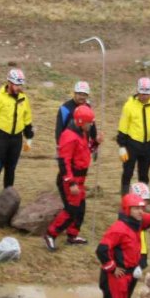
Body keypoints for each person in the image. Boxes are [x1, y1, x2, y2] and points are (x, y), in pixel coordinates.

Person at [0, 68, 34, 213]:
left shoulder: (24, 98)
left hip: (16, 139)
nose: (19, 88)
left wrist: (29, 137)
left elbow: (27, 119)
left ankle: (7, 201)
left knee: (10, 170)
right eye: (16, 85)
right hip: (0, 138)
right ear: (9, 82)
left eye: (21, 85)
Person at [44, 104, 95, 251]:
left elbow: (86, 150)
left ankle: (72, 235)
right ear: (80, 121)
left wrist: (96, 142)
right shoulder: (69, 136)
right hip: (70, 179)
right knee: (72, 209)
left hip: (79, 179)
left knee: (81, 208)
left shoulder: (82, 133)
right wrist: (71, 183)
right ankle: (50, 234)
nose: (91, 125)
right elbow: (63, 161)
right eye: (89, 122)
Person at [116, 77, 150, 194]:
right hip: (132, 144)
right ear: (138, 91)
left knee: (144, 173)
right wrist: (121, 147)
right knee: (128, 172)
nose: (144, 96)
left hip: (148, 144)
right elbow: (123, 127)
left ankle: (143, 197)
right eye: (142, 93)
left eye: (147, 94)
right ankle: (125, 196)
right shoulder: (129, 106)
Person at [54, 81, 100, 148]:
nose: (82, 97)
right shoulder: (65, 108)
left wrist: (95, 141)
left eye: (84, 95)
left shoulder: (88, 107)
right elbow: (59, 129)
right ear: (74, 93)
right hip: (68, 146)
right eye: (79, 94)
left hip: (83, 147)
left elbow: (92, 126)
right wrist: (60, 145)